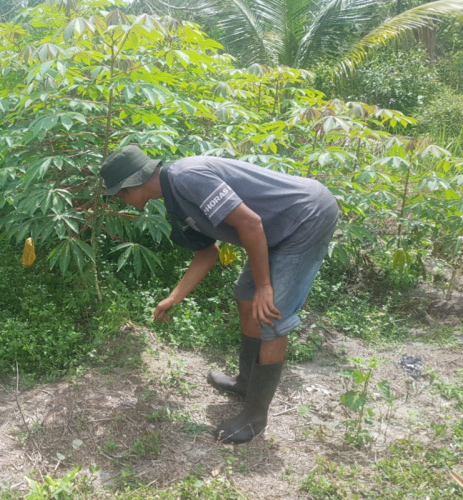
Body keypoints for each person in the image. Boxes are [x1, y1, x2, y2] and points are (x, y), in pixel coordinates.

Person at [99, 146, 338, 444]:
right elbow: (206, 251)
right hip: (272, 231)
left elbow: (250, 223)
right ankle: (247, 383)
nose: (122, 200)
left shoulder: (187, 177)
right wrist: (174, 297)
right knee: (245, 297)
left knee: (271, 314)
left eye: (121, 194)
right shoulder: (174, 200)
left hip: (306, 217)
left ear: (133, 183)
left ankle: (255, 417)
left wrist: (266, 287)